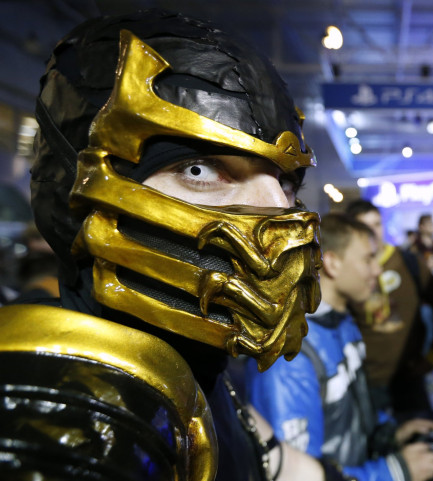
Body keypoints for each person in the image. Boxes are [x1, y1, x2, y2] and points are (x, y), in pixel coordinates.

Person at [0, 10, 345, 480]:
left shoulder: (196, 367)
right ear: (75, 192)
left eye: (286, 181)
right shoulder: (76, 413)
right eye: (199, 169)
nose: (279, 212)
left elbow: (266, 456)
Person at [245, 213, 433, 481]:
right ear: (333, 263)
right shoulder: (289, 352)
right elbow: (296, 473)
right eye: (368, 259)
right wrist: (393, 471)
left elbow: (350, 421)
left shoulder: (344, 323)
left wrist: (388, 435)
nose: (377, 269)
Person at [345, 200, 433, 413]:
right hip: (368, 381)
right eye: (364, 226)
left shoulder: (407, 261)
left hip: (410, 376)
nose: (373, 231)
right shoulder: (349, 269)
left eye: (377, 224)